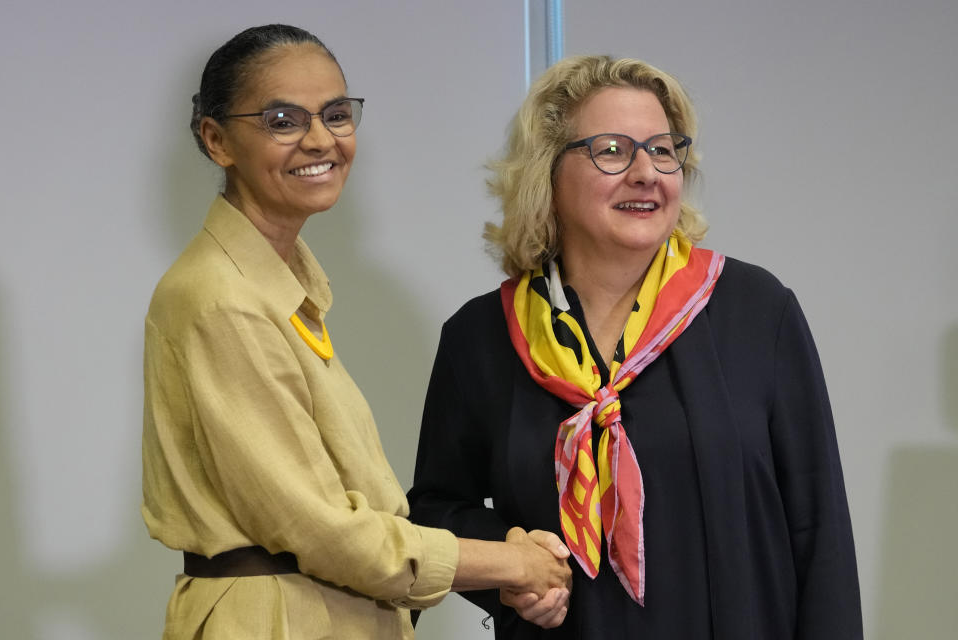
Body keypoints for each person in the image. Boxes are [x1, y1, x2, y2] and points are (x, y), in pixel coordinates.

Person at [407, 55, 863, 638]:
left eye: (663, 149)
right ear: (548, 171)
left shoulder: (755, 310)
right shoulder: (482, 337)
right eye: (613, 150)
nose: (647, 173)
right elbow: (437, 510)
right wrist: (511, 568)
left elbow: (818, 529)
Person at [141, 24, 571, 640]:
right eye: (282, 119)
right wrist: (508, 562)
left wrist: (503, 557)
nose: (321, 139)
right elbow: (321, 529)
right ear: (217, 139)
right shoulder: (221, 298)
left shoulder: (282, 286)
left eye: (336, 114)